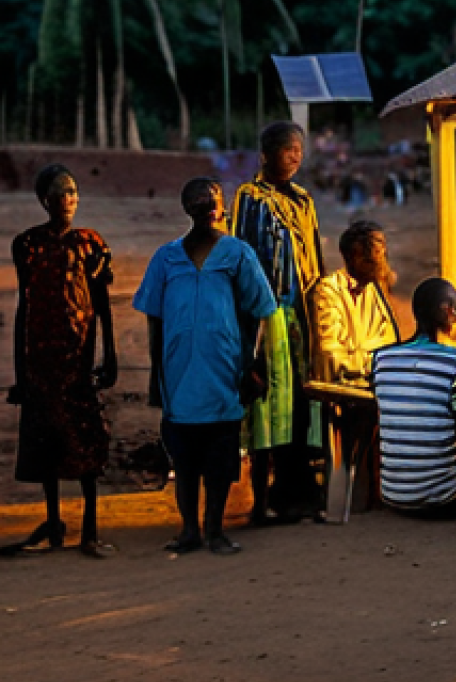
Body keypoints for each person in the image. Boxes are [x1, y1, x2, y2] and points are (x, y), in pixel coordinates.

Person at [134, 178, 277, 554]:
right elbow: (155, 318)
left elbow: (261, 311)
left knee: (219, 460)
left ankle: (214, 530)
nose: (205, 207)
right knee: (184, 461)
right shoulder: (166, 258)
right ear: (186, 208)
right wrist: (155, 373)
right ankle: (189, 531)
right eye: (197, 201)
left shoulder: (238, 254)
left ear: (221, 208)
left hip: (224, 371)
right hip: (178, 374)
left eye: (210, 200)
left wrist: (251, 364)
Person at [3, 165, 117, 558]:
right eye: (57, 194)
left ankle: (90, 529)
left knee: (86, 440)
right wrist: (20, 371)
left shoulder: (90, 245)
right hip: (40, 358)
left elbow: (101, 304)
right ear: (43, 201)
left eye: (71, 193)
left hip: (78, 357)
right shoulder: (27, 245)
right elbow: (24, 306)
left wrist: (111, 356)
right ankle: (53, 524)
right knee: (46, 440)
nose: (66, 200)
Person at [232, 120, 325, 524]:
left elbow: (315, 258)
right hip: (267, 317)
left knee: (303, 404)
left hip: (302, 315)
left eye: (298, 149)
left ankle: (297, 490)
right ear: (266, 154)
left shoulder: (303, 200)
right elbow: (246, 258)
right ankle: (261, 500)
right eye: (287, 149)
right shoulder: (250, 198)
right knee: (268, 405)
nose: (295, 156)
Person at [310, 220, 400, 512]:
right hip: (340, 390)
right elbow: (331, 354)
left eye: (382, 252)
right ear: (353, 256)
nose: (381, 261)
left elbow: (388, 342)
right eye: (374, 254)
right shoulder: (328, 292)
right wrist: (374, 360)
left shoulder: (376, 290)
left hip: (371, 381)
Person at [371, 278, 456, 514]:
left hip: (392, 495)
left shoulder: (381, 358)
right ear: (448, 311)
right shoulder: (455, 359)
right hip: (442, 499)